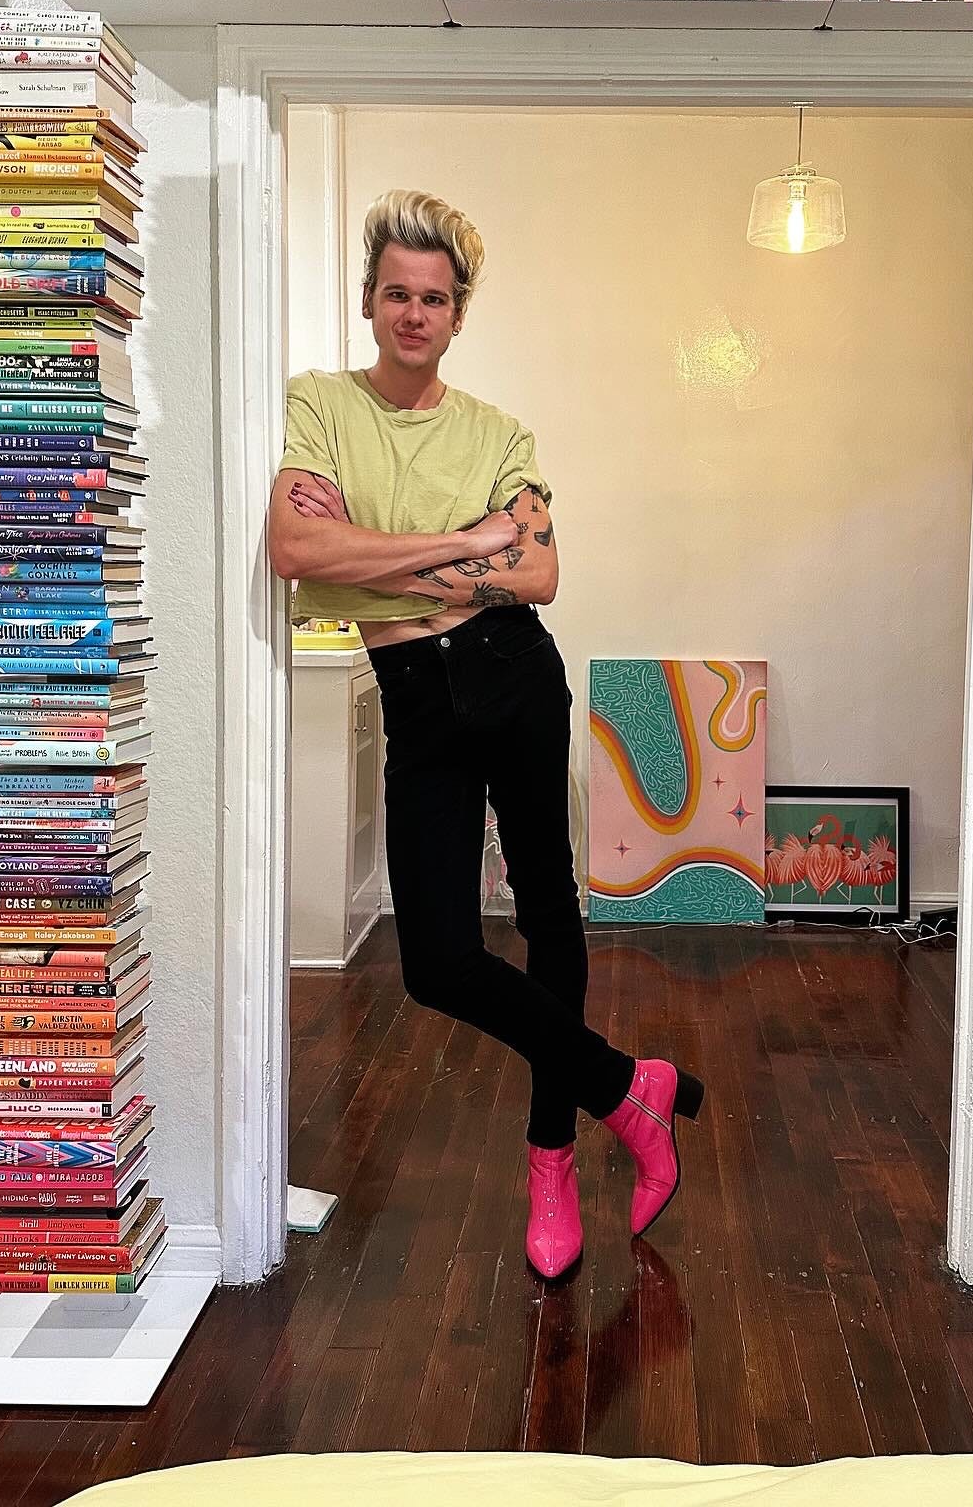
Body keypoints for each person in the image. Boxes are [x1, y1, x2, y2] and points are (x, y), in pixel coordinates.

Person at [267, 189, 703, 1279]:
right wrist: (469, 543)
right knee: (439, 961)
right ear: (369, 302)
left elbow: (541, 573)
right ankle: (628, 1092)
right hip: (411, 686)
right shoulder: (318, 405)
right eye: (398, 295)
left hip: (513, 675)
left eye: (437, 299)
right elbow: (294, 550)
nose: (416, 314)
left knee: (551, 915)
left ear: (459, 314)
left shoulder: (501, 431)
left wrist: (375, 546)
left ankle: (551, 1159)